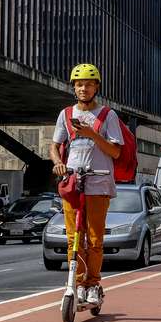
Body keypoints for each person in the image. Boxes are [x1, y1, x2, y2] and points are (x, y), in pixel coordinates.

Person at [49, 63, 123, 306]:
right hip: (73, 182)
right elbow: (54, 144)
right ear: (74, 87)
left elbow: (115, 152)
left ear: (96, 87)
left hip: (99, 183)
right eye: (79, 84)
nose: (83, 88)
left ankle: (93, 283)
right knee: (73, 238)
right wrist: (58, 162)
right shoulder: (66, 115)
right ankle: (77, 283)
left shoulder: (107, 115)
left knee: (94, 239)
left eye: (89, 84)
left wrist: (92, 134)